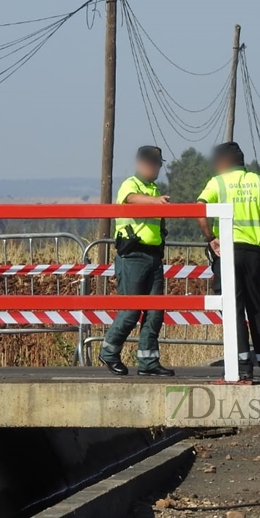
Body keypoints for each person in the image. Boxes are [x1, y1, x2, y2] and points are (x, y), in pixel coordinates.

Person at [195, 142, 260, 381]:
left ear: (223, 162)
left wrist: (210, 239)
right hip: (255, 254)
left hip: (226, 253)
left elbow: (199, 209)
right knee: (257, 310)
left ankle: (242, 364)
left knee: (233, 310)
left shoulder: (217, 183)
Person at [100, 145, 176, 377]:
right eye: (151, 163)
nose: (155, 168)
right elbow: (130, 199)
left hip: (153, 256)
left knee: (155, 311)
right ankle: (109, 352)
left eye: (158, 164)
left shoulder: (154, 190)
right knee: (131, 309)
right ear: (140, 164)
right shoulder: (131, 185)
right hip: (133, 255)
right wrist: (155, 202)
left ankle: (148, 361)